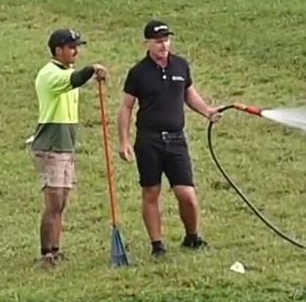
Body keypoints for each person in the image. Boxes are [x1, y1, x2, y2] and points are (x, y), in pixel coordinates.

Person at [117, 20, 221, 258]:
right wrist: (123, 141)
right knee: (151, 192)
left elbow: (189, 94)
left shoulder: (181, 66)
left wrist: (207, 111)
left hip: (176, 140)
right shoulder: (138, 73)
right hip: (149, 141)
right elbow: (126, 108)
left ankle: (192, 237)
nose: (163, 45)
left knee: (187, 194)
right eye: (158, 41)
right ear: (147, 43)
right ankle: (157, 244)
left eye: (166, 39)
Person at [29, 28, 106, 268]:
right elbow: (72, 81)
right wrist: (92, 70)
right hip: (51, 145)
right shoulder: (50, 74)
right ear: (58, 50)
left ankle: (55, 248)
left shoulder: (66, 71)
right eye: (71, 47)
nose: (76, 51)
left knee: (61, 202)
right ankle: (46, 254)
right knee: (53, 202)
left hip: (65, 146)